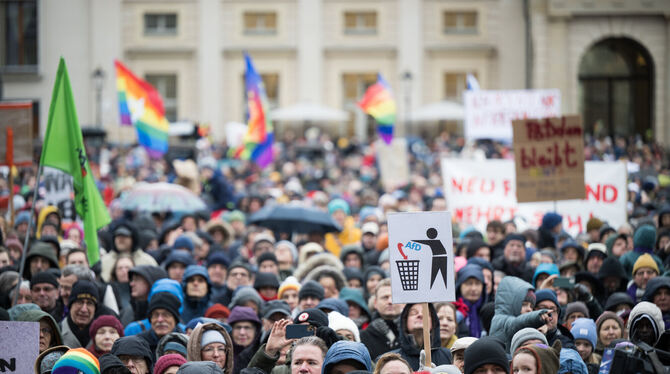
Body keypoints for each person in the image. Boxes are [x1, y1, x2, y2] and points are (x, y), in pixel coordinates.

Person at [489, 276, 552, 350]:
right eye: (524, 304)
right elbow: (516, 323)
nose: (529, 309)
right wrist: (538, 317)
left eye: (531, 306)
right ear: (511, 303)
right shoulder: (500, 320)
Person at [391, 303, 452, 370]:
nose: (420, 315)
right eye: (413, 313)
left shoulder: (449, 356)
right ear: (405, 321)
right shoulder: (391, 359)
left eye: (425, 313)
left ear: (433, 321)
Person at [360, 279, 403, 360]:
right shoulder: (363, 337)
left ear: (402, 302)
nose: (390, 301)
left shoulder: (412, 334)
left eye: (394, 297)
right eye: (385, 297)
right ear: (375, 303)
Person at [60, 280, 100, 348]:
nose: (84, 309)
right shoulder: (57, 331)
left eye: (89, 303)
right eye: (80, 302)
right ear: (70, 305)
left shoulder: (103, 335)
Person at [228, 306, 263, 374]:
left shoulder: (263, 356)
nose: (242, 333)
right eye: (238, 327)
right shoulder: (222, 356)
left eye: (247, 328)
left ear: (256, 331)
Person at [455, 264, 486, 338]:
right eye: (469, 283)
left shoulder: (487, 311)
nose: (473, 288)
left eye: (477, 283)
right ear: (460, 286)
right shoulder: (452, 311)